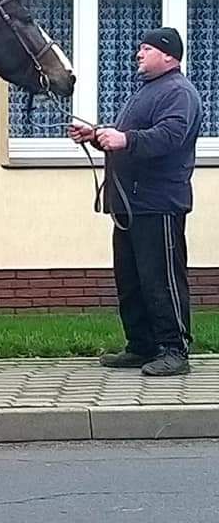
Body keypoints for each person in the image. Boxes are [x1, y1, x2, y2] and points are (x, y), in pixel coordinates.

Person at [69, 27, 203, 376]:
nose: (138, 54)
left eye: (146, 49)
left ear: (169, 55)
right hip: (131, 205)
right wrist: (98, 136)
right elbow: (131, 138)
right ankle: (141, 346)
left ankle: (174, 350)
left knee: (161, 279)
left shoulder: (179, 93)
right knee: (131, 280)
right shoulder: (148, 91)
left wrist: (123, 138)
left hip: (159, 204)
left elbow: (169, 137)